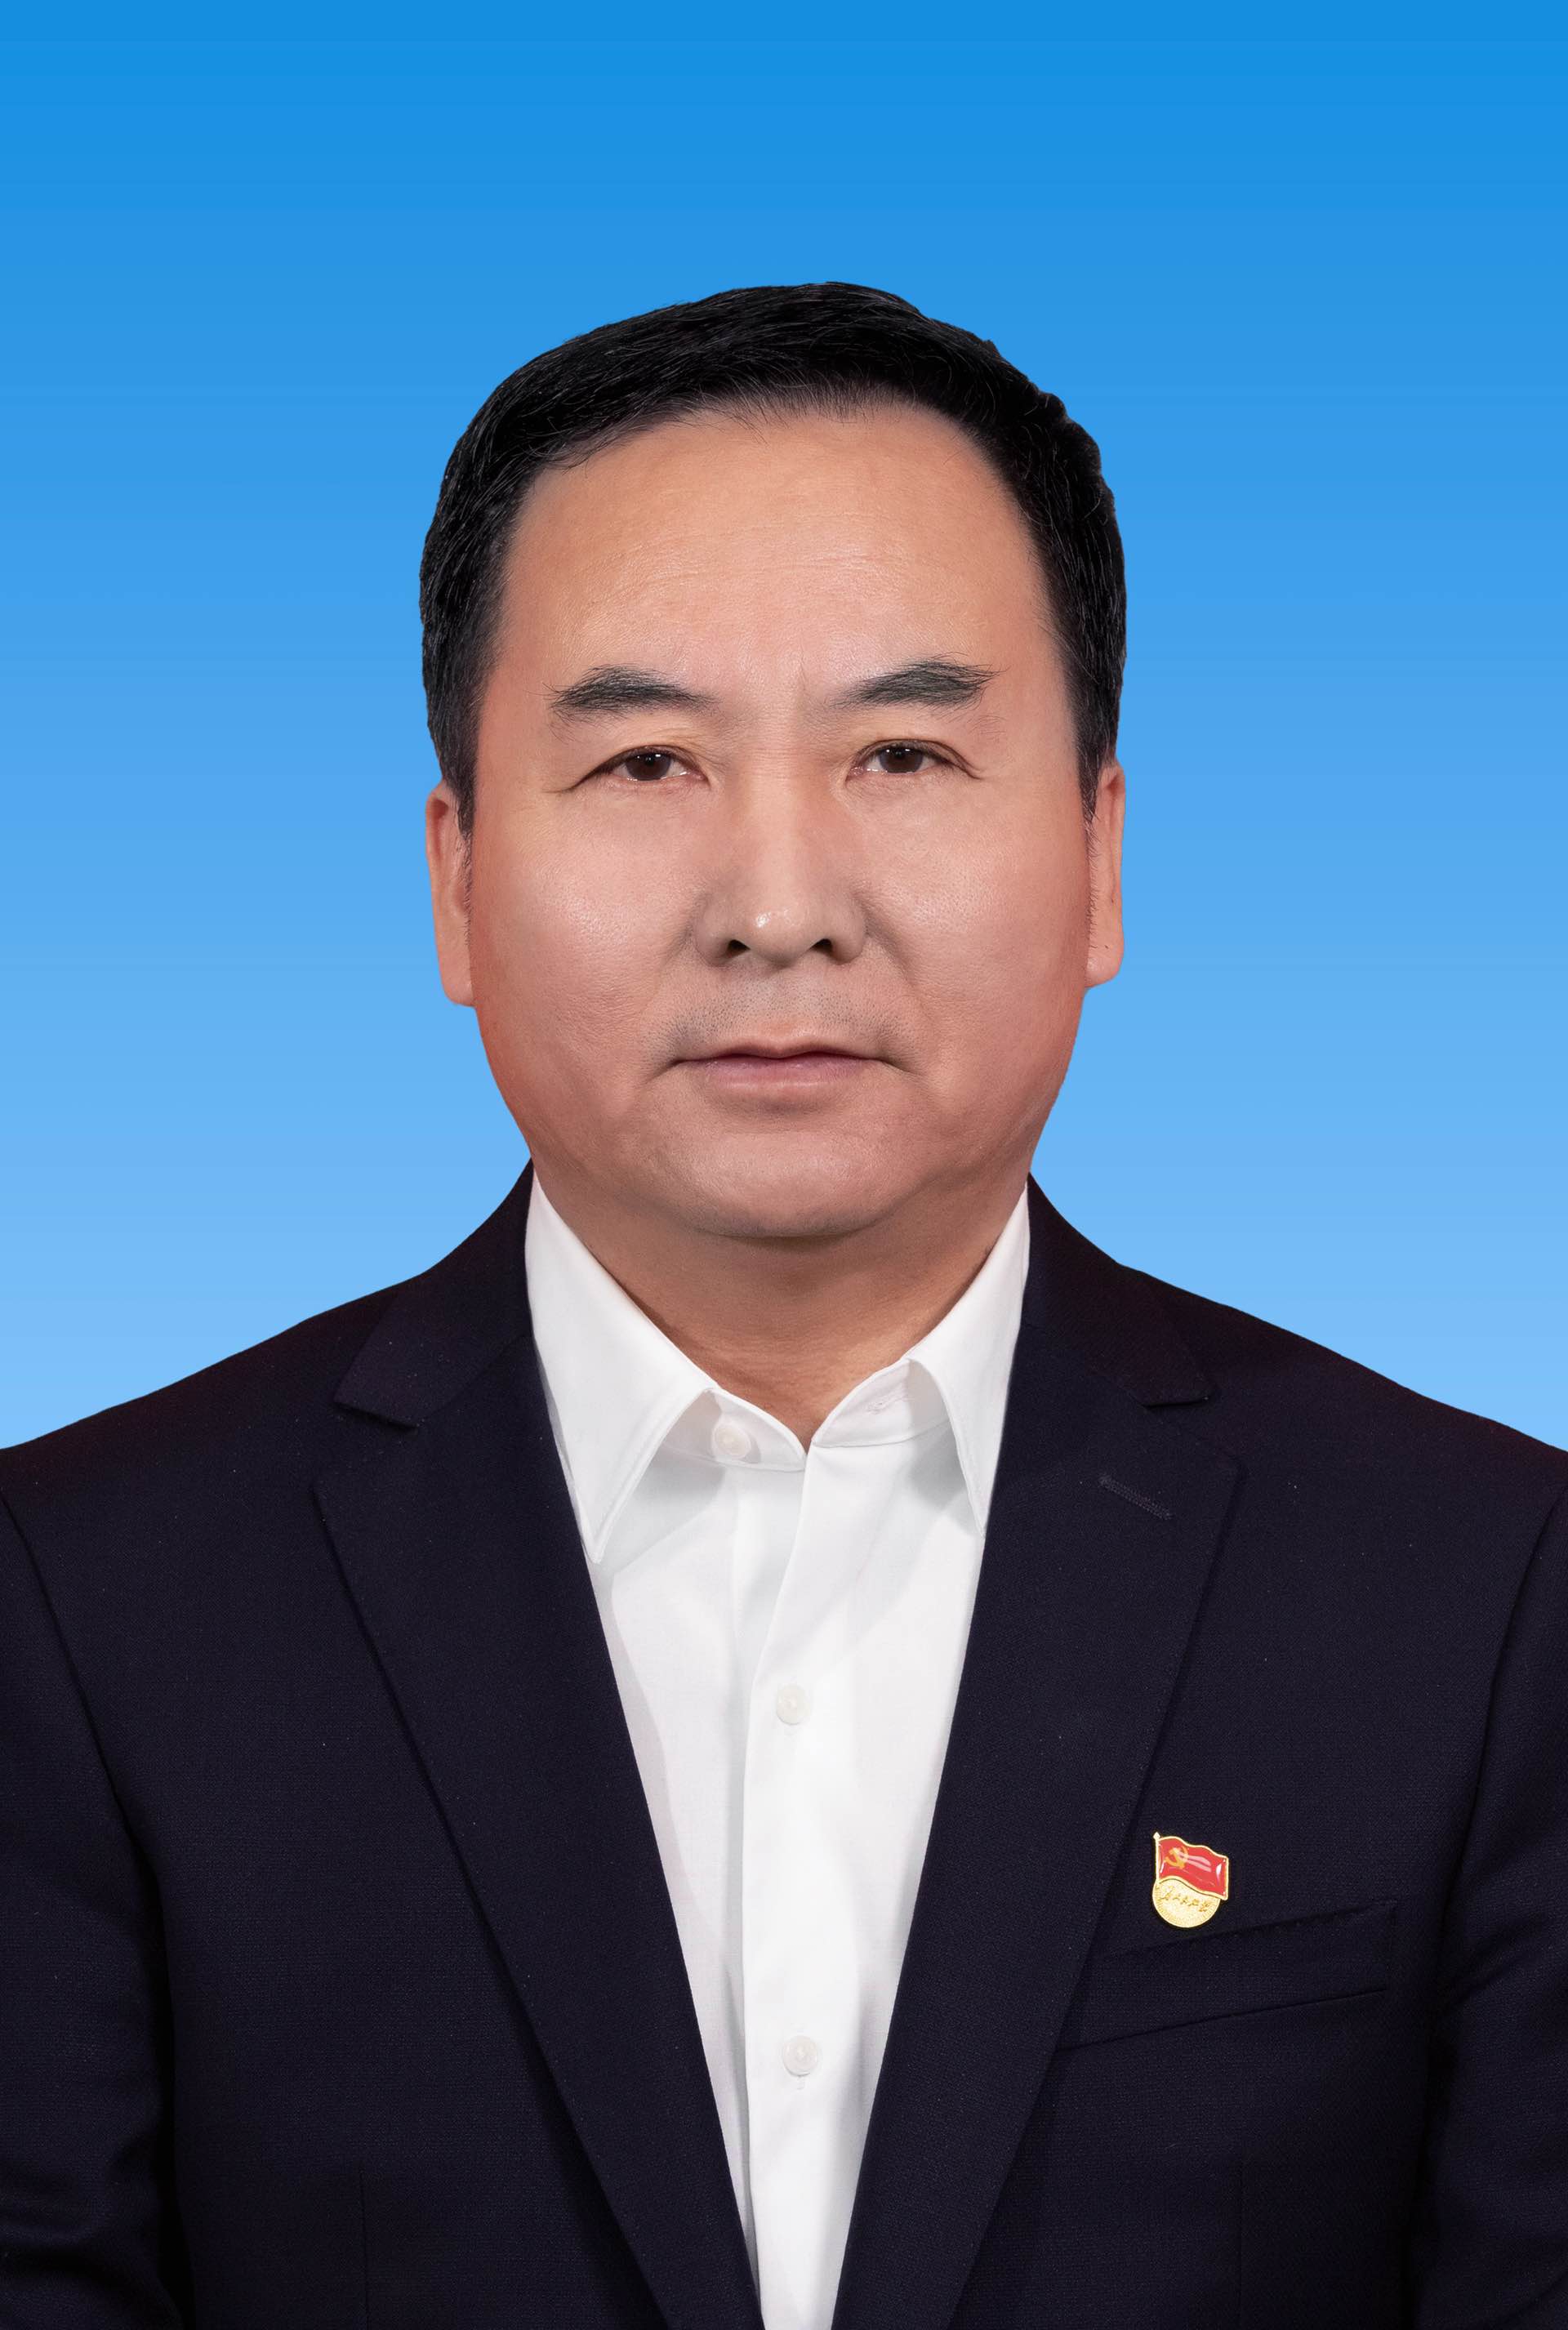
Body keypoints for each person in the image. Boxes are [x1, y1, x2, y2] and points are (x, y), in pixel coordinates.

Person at [2, 281, 1564, 2330]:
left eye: (904, 751)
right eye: (647, 759)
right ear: (457, 881)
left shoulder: (1485, 1593)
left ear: (1099, 853)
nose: (777, 904)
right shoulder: (80, 1604)